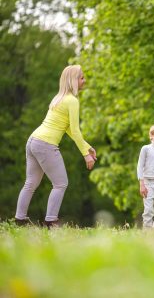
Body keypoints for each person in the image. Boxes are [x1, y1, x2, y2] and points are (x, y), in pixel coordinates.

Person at [15, 65, 96, 228]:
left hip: (33, 140)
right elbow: (74, 129)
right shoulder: (72, 101)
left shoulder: (59, 98)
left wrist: (87, 147)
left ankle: (19, 220)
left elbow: (67, 129)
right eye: (81, 78)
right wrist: (86, 155)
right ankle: (51, 221)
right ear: (73, 80)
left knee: (30, 183)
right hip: (46, 144)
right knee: (60, 184)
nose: (84, 81)